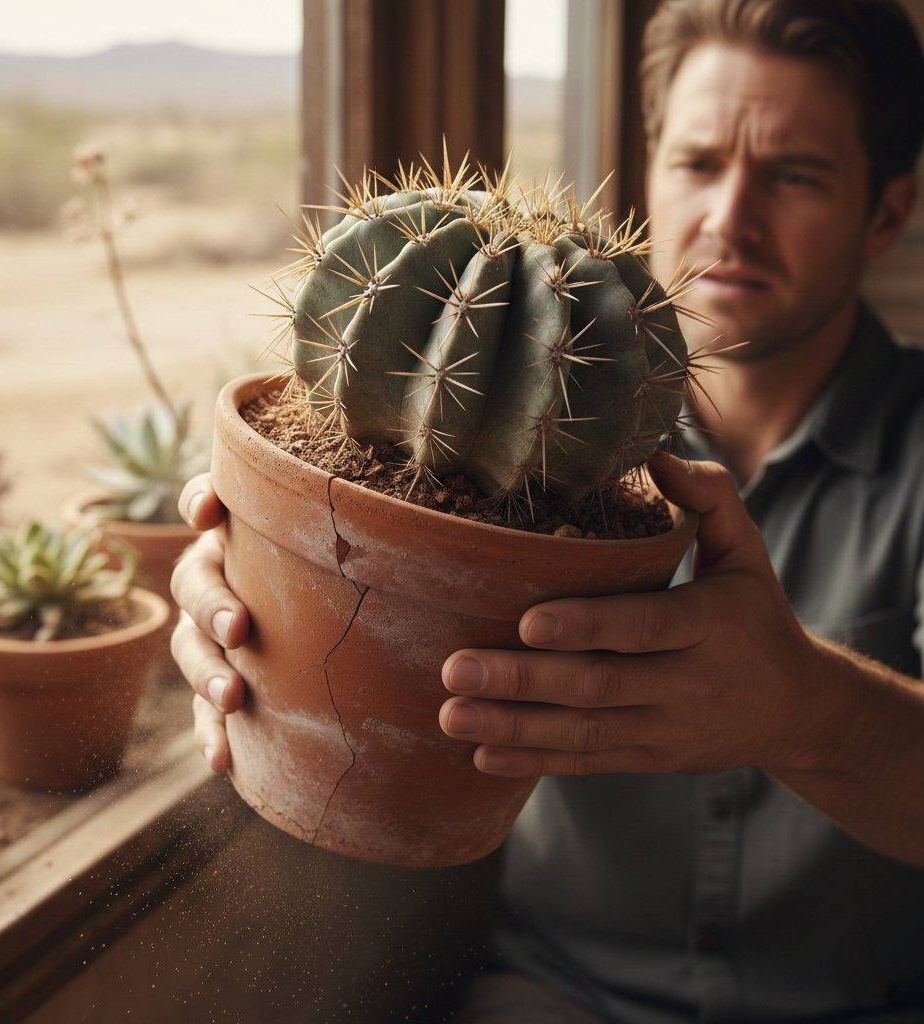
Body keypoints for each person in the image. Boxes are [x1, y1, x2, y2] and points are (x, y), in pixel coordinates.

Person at [170, 0, 924, 1018]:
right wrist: (259, 598)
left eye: (794, 174)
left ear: (887, 212)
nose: (729, 218)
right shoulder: (515, 435)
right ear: (653, 169)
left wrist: (805, 704)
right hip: (553, 998)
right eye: (699, 163)